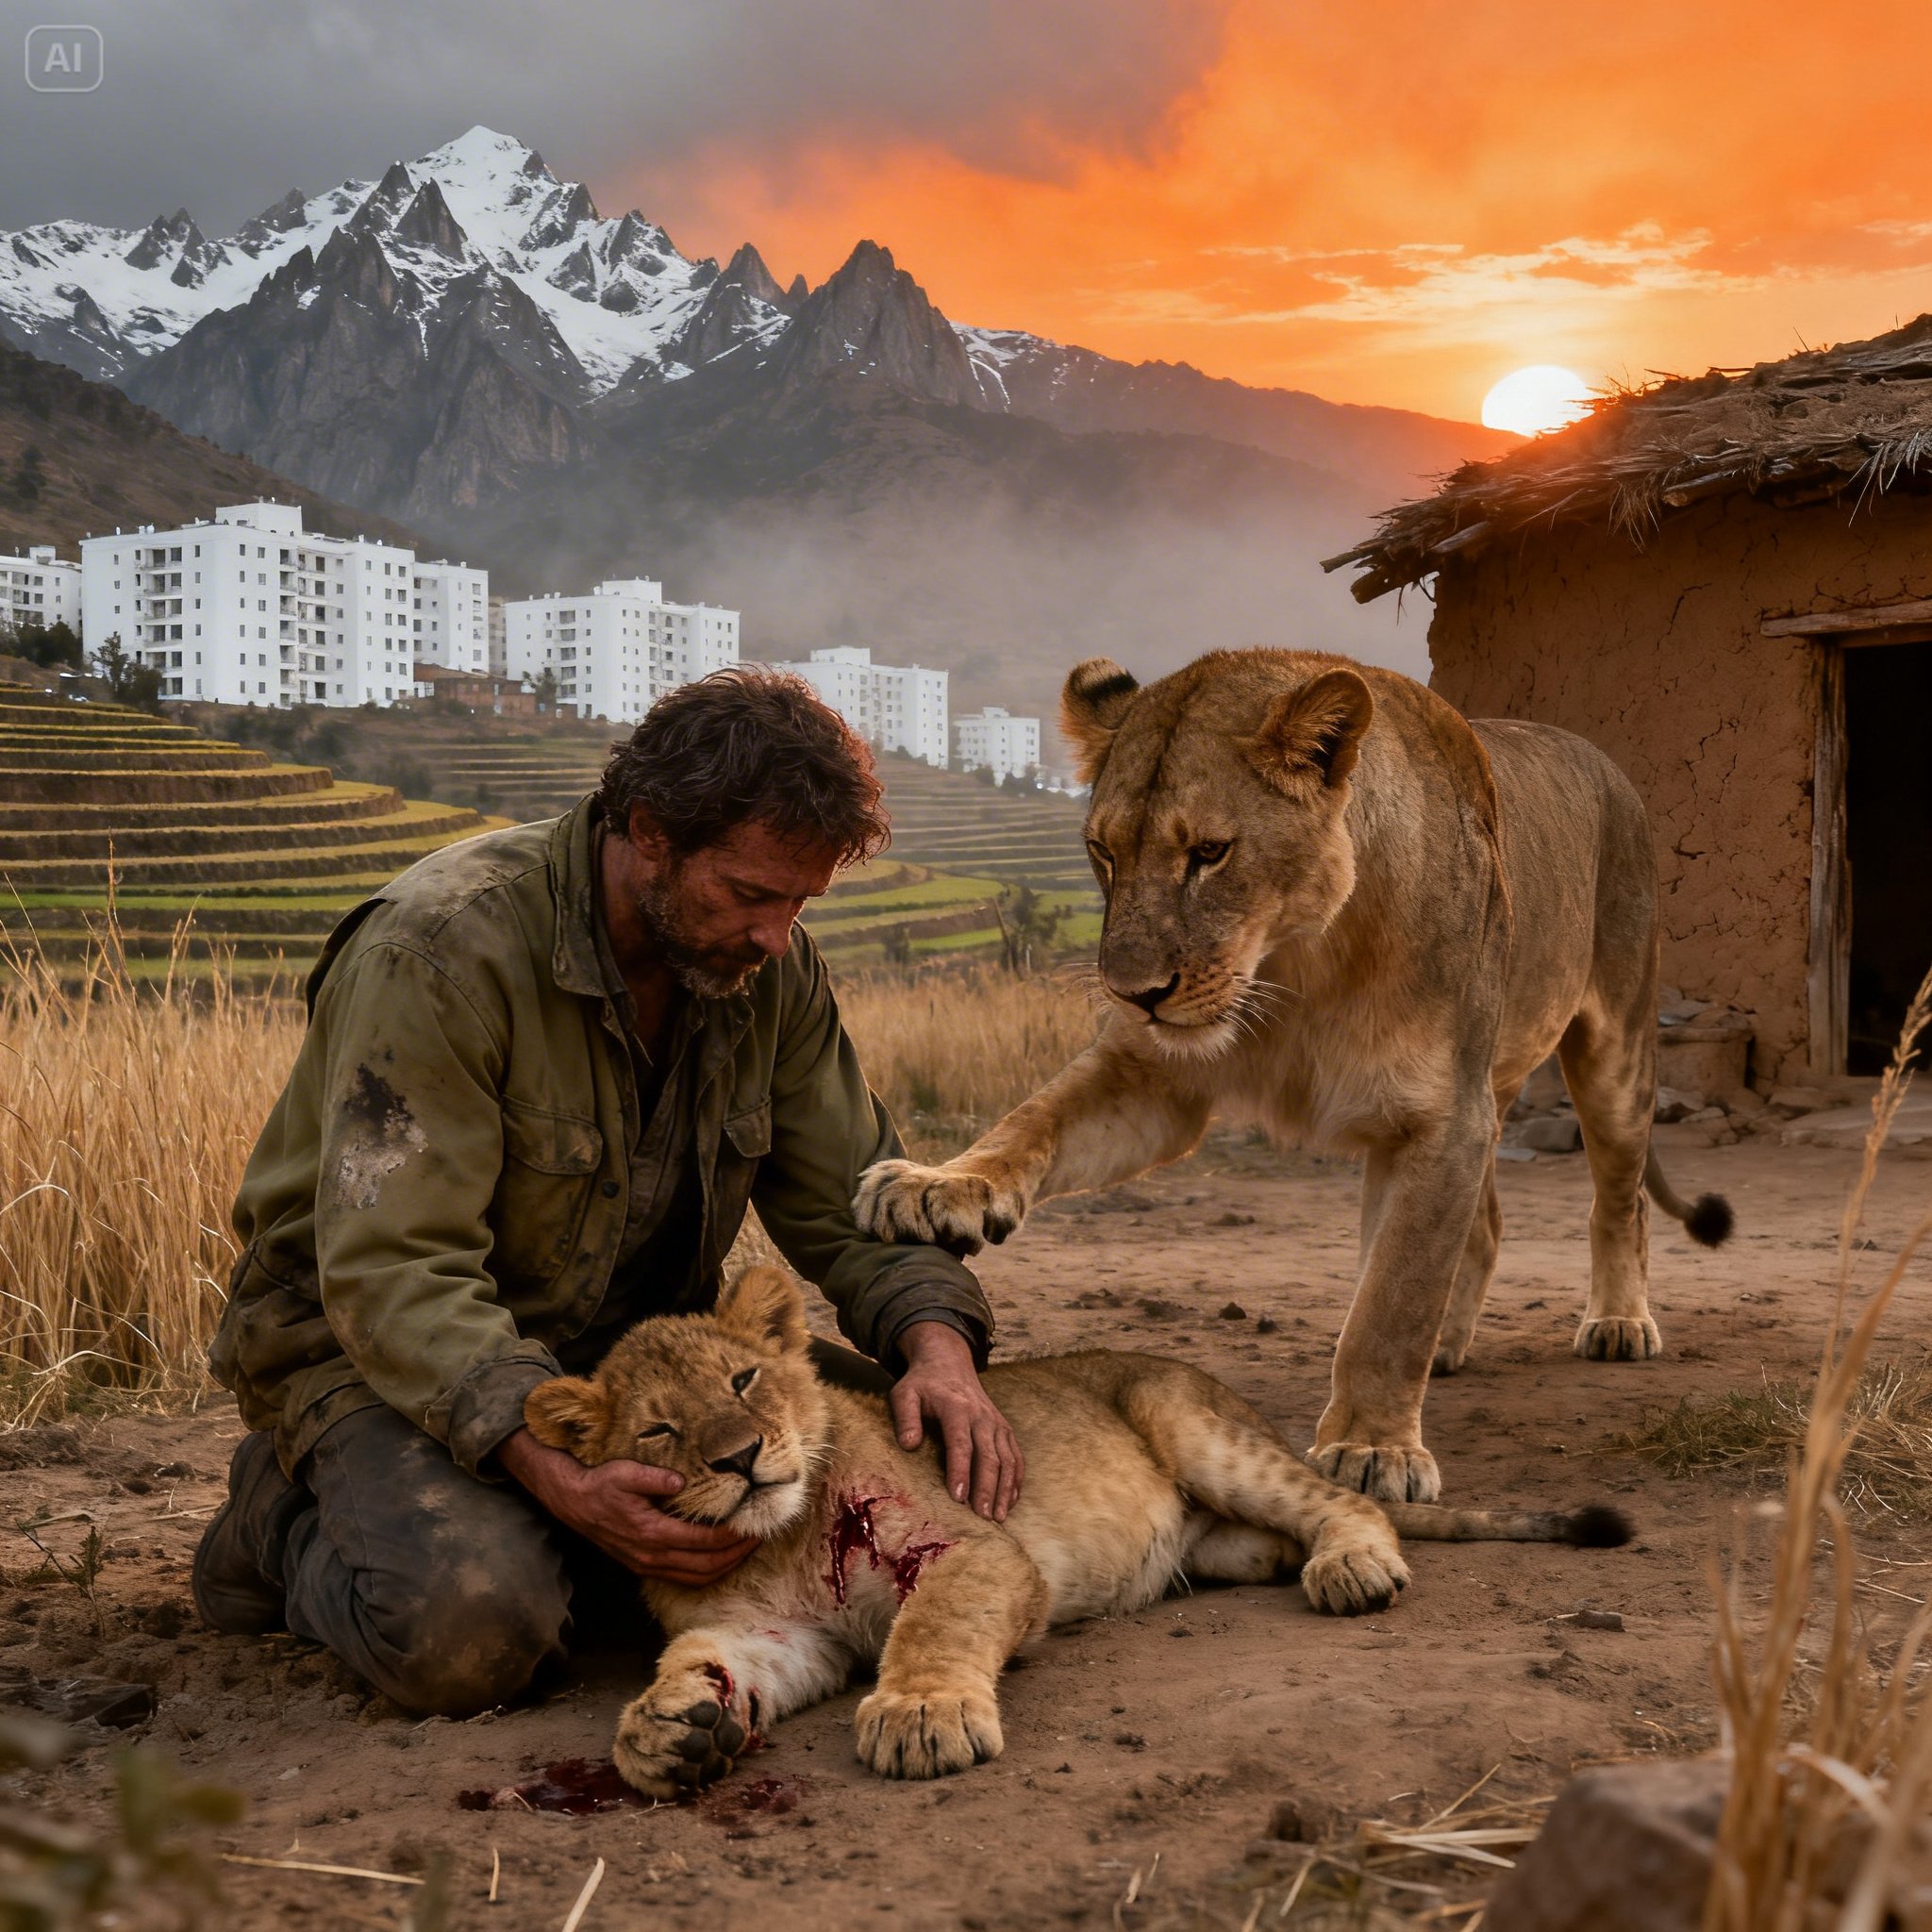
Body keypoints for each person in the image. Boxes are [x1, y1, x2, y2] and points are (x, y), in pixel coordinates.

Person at [192, 669, 1022, 1717]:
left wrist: (937, 1349)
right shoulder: (440, 950)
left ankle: (557, 1542)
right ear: (648, 834)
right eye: (752, 894)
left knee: (940, 1479)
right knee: (473, 1629)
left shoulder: (767, 970)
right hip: (371, 1356)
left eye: (800, 901)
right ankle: (277, 1523)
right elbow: (396, 1271)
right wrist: (560, 1480)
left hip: (627, 1365)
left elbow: (855, 1197)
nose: (777, 934)